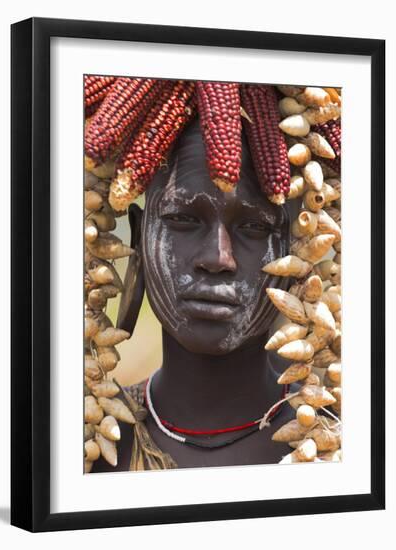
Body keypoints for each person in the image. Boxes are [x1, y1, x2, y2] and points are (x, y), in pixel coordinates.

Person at [91, 117, 299, 473]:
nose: (217, 258)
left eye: (254, 227)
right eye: (183, 219)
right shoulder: (91, 448)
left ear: (300, 252)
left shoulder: (343, 433)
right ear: (139, 237)